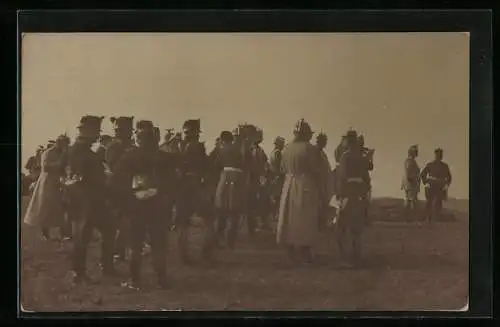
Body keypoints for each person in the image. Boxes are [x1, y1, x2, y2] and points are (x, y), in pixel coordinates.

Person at [109, 120, 177, 290]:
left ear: (138, 140)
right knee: (158, 243)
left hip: (135, 205)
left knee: (135, 244)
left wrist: (125, 202)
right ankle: (161, 279)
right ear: (154, 140)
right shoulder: (164, 157)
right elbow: (173, 181)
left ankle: (135, 281)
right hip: (158, 204)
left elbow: (115, 181)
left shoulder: (129, 156)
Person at [63, 115, 115, 283]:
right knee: (82, 237)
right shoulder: (77, 151)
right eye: (95, 132)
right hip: (85, 201)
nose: (97, 136)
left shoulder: (86, 151)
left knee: (108, 230)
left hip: (95, 200)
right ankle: (78, 273)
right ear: (86, 132)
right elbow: (76, 178)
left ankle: (106, 267)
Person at [276, 119, 323, 265]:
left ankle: (290, 248)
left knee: (289, 215)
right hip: (305, 183)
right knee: (305, 216)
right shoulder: (310, 149)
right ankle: (304, 249)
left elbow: (282, 168)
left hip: (289, 182)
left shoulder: (287, 148)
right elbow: (317, 169)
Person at [24, 134, 70, 241]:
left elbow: (65, 166)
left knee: (62, 207)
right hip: (47, 183)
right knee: (44, 208)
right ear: (58, 142)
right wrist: (60, 162)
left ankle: (63, 233)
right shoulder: (48, 153)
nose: (65, 146)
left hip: (59, 182)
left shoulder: (64, 153)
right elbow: (46, 167)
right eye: (64, 143)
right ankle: (45, 233)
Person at [335, 130, 371, 265]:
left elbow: (342, 177)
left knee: (342, 226)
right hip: (359, 194)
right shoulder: (362, 158)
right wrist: (365, 193)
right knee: (356, 228)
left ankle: (345, 257)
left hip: (348, 193)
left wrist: (340, 194)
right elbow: (366, 178)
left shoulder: (345, 157)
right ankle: (356, 255)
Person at [175, 119, 208, 264]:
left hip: (181, 185)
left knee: (182, 222)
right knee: (207, 219)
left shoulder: (177, 145)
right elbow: (203, 166)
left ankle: (183, 255)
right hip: (194, 185)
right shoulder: (197, 146)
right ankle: (206, 253)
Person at [213, 130, 251, 249]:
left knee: (221, 210)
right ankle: (230, 241)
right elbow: (248, 164)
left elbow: (214, 165)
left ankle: (218, 237)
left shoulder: (221, 149)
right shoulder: (242, 149)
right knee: (235, 212)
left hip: (224, 178)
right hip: (238, 180)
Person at [106, 116, 135, 261]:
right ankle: (116, 252)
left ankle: (120, 250)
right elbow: (112, 166)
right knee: (118, 221)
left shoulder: (128, 145)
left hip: (128, 186)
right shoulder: (115, 146)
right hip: (117, 187)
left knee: (126, 220)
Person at [247, 127, 271, 235]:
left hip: (259, 179)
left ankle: (259, 225)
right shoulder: (249, 149)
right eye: (259, 136)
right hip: (250, 180)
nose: (261, 138)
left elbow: (265, 163)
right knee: (251, 205)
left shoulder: (260, 150)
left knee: (259, 203)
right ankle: (251, 229)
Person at [420, 148, 452, 222]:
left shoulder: (445, 166)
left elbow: (449, 177)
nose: (439, 156)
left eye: (440, 155)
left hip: (440, 187)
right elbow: (423, 174)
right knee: (429, 202)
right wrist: (426, 182)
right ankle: (428, 218)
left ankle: (436, 218)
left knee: (438, 203)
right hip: (431, 186)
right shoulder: (430, 165)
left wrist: (446, 185)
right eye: (438, 155)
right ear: (435, 155)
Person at [315, 133, 333, 230]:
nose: (325, 143)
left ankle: (322, 223)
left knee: (323, 202)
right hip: (317, 182)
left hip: (323, 181)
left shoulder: (323, 154)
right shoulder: (315, 152)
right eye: (323, 141)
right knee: (318, 202)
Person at [269, 136, 285, 221]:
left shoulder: (272, 153)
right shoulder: (278, 153)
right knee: (278, 198)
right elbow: (281, 166)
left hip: (274, 177)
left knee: (275, 198)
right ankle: (276, 216)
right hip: (279, 177)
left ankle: (274, 215)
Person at [401, 145, 421, 215]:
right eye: (415, 151)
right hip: (411, 184)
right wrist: (413, 181)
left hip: (409, 183)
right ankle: (410, 216)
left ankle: (408, 215)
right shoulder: (410, 161)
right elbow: (408, 173)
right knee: (412, 200)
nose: (417, 153)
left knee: (409, 200)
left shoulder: (409, 161)